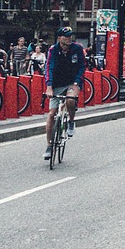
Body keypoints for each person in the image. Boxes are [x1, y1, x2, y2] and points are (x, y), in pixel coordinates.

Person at [43, 27, 87, 158]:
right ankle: (49, 145)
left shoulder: (77, 48)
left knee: (70, 99)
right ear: (59, 38)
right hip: (56, 83)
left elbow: (82, 66)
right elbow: (49, 67)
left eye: (70, 36)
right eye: (66, 36)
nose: (69, 38)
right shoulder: (53, 50)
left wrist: (77, 83)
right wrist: (49, 86)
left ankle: (71, 121)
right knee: (51, 114)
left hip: (71, 82)